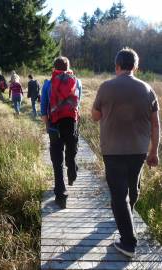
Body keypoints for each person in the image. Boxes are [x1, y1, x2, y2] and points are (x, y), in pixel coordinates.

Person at [92, 47, 160, 258]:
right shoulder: (148, 89)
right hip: (139, 150)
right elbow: (156, 124)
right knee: (133, 188)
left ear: (117, 66)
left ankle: (128, 243)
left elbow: (95, 116)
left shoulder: (105, 87)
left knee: (119, 195)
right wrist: (154, 151)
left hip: (112, 150)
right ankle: (126, 219)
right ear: (136, 67)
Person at [40, 56, 82, 209]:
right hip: (71, 123)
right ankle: (72, 171)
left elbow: (44, 110)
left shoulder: (48, 84)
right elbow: (78, 104)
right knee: (71, 152)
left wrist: (48, 127)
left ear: (54, 68)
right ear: (68, 67)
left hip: (54, 126)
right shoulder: (77, 82)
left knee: (57, 161)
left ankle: (61, 195)